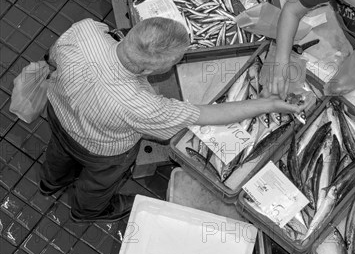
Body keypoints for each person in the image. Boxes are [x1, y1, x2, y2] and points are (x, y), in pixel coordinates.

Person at [41, 17, 303, 223]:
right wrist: (268, 103)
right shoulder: (143, 105)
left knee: (58, 153)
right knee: (98, 183)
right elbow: (207, 115)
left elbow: (52, 56)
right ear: (149, 71)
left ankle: (51, 182)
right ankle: (87, 211)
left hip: (58, 114)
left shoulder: (85, 31)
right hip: (101, 151)